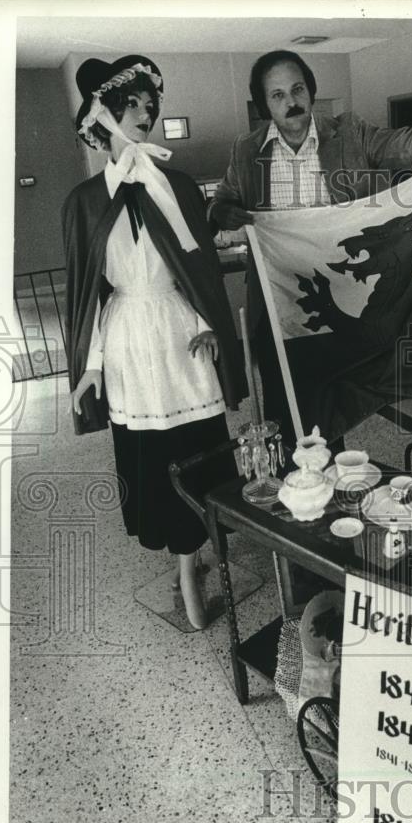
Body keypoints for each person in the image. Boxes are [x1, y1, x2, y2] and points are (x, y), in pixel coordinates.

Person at [209, 49, 412, 441]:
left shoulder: (349, 133)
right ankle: (293, 487)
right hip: (274, 301)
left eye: (298, 89)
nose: (292, 102)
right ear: (264, 104)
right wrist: (222, 213)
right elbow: (221, 201)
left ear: (311, 90)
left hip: (340, 297)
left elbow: (407, 144)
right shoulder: (246, 151)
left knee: (333, 400)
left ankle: (333, 480)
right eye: (278, 95)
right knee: (282, 402)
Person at [63, 55, 245, 630]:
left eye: (150, 105)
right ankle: (186, 565)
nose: (146, 115)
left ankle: (195, 557)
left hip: (181, 332)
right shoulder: (86, 202)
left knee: (199, 444)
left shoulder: (179, 187)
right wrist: (89, 365)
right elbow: (88, 292)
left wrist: (209, 324)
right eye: (132, 105)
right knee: (152, 454)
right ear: (105, 114)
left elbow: (200, 272)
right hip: (127, 343)